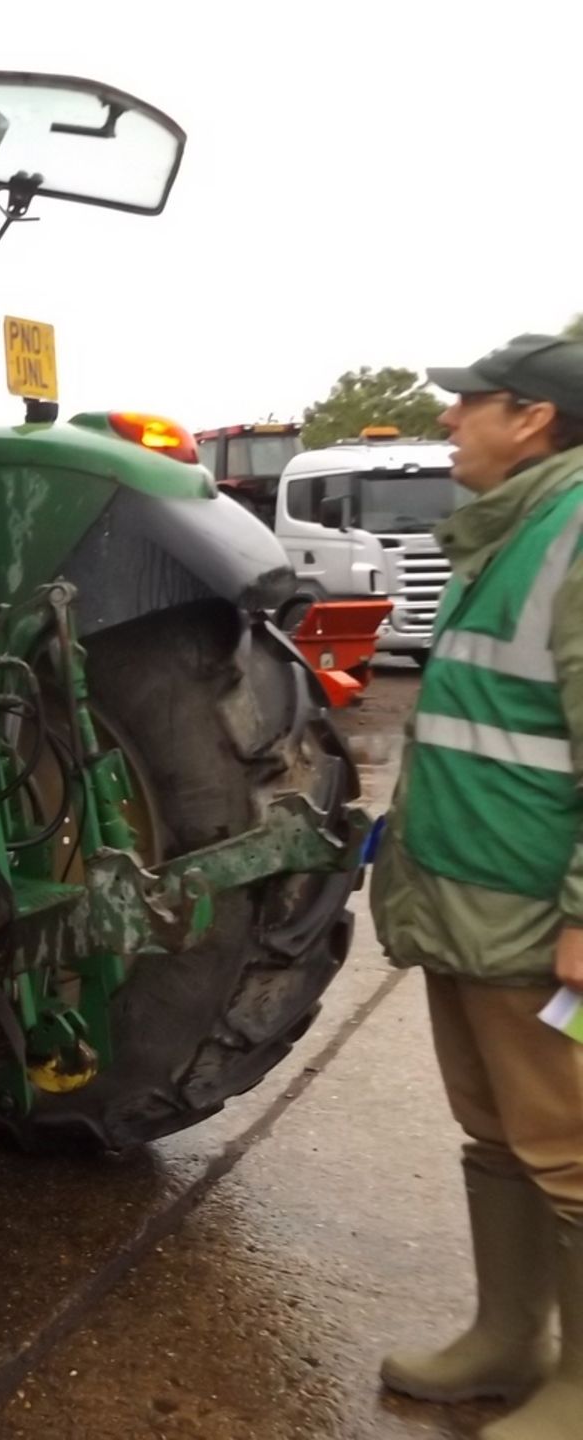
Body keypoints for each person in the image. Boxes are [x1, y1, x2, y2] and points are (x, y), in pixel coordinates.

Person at [372, 332, 583, 1439]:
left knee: (572, 1149)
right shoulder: (501, 536)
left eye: (469, 405)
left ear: (533, 417)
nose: (449, 420)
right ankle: (510, 1339)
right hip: (464, 897)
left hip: (540, 917)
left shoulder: (575, 535)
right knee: (496, 1132)